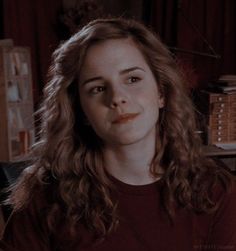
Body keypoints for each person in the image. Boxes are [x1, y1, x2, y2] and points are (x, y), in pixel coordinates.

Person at [0, 17, 235, 251]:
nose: (116, 98)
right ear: (80, 110)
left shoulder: (216, 192)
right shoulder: (45, 197)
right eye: (98, 88)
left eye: (133, 79)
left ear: (161, 92)